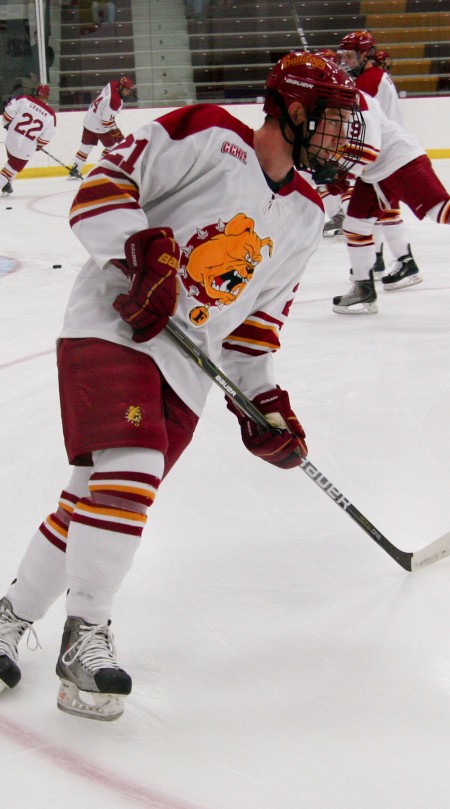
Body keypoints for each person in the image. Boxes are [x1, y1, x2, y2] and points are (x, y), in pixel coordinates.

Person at [0, 52, 366, 721]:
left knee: (97, 495)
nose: (343, 140)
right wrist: (140, 252)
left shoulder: (307, 216)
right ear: (293, 109)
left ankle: (10, 615)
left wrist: (264, 404)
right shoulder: (207, 133)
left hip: (188, 361)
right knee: (132, 470)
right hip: (111, 322)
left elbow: (255, 323)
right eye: (335, 122)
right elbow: (104, 189)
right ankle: (86, 635)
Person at [331, 87, 449, 314]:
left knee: (441, 212)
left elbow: (368, 148)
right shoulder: (335, 101)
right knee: (355, 225)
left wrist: (342, 175)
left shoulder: (354, 98)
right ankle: (363, 287)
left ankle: (398, 264)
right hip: (376, 172)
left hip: (400, 161)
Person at [327, 31, 422, 289]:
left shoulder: (369, 80)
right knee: (375, 211)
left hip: (383, 155)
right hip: (384, 153)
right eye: (343, 56)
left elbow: (356, 118)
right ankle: (379, 259)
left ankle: (404, 260)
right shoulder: (374, 76)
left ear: (366, 54)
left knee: (378, 211)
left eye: (350, 55)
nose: (346, 61)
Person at [67, 75, 134, 180]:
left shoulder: (112, 84)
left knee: (85, 147)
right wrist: (117, 134)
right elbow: (106, 121)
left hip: (89, 119)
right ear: (120, 87)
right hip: (100, 125)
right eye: (126, 90)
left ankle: (75, 170)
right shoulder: (115, 101)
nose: (127, 92)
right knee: (113, 147)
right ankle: (100, 169)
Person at [1, 84, 56, 195]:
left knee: (12, 163)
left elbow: (8, 113)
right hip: (25, 149)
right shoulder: (50, 115)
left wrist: (9, 125)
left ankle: (7, 185)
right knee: (10, 169)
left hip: (11, 140)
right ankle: (5, 181)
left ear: (36, 92)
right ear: (47, 96)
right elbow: (46, 137)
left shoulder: (24, 99)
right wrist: (38, 146)